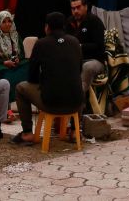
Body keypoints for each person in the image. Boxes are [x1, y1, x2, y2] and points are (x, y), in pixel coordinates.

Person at [10, 12, 83, 145]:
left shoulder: (41, 44)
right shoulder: (75, 41)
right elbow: (78, 70)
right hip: (75, 103)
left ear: (47, 27)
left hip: (52, 103)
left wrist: (43, 81)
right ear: (64, 26)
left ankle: (26, 133)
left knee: (21, 88)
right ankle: (74, 131)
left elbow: (31, 76)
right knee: (76, 86)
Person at [67, 0, 106, 98]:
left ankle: (78, 99)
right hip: (74, 60)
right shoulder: (69, 22)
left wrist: (80, 46)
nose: (75, 11)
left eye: (78, 7)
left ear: (86, 7)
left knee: (87, 67)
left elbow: (100, 47)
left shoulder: (95, 21)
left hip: (95, 60)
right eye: (73, 8)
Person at [0, 10, 28, 103]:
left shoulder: (15, 34)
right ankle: (9, 102)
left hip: (15, 63)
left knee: (28, 65)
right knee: (7, 74)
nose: (7, 24)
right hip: (1, 64)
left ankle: (25, 96)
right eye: (4, 21)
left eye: (9, 21)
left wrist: (19, 58)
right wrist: (4, 62)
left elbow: (22, 52)